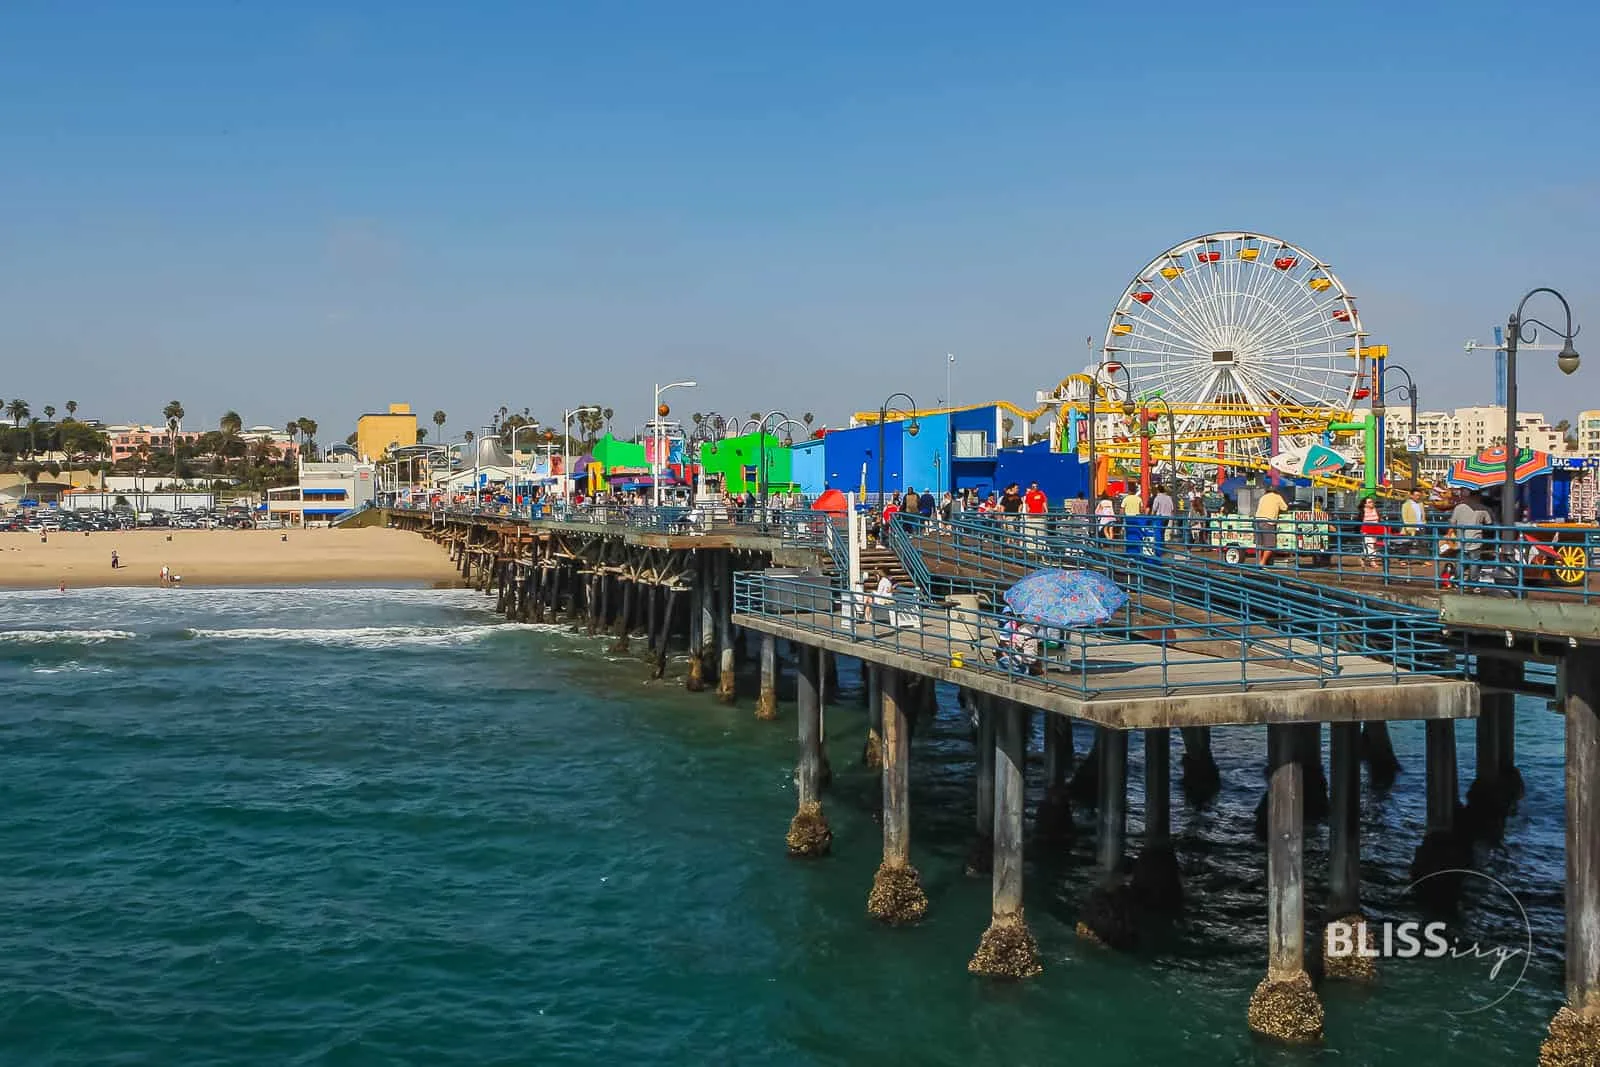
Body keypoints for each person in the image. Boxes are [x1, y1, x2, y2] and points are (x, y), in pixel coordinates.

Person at [1254, 484, 1287, 567]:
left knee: (1260, 544)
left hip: (1257, 521)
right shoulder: (1277, 497)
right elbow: (1285, 508)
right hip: (1268, 522)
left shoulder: (1263, 497)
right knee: (1270, 545)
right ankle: (1262, 563)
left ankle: (1258, 563)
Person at [1359, 495, 1386, 570]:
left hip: (1375, 530)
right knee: (1370, 545)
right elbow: (1359, 521)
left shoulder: (1375, 510)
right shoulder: (1362, 511)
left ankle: (1362, 557)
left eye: (1372, 502)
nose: (1372, 503)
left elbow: (1379, 519)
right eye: (1369, 502)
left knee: (1373, 545)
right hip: (1366, 530)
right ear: (1365, 504)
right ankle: (1372, 561)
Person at [1399, 489, 1427, 559]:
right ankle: (1402, 559)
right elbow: (1404, 517)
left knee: (1422, 544)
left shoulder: (1420, 504)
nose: (1418, 497)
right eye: (1416, 495)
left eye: (1419, 495)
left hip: (1420, 526)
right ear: (1411, 495)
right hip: (1410, 527)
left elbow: (1423, 515)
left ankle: (1424, 560)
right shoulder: (1406, 505)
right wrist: (1407, 527)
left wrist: (1424, 523)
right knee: (1406, 544)